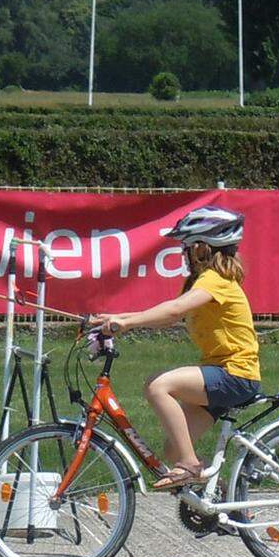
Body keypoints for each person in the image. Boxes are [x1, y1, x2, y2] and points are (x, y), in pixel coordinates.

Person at [91, 206, 261, 489]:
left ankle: (191, 467)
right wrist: (118, 319)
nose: (183, 255)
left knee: (158, 385)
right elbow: (168, 315)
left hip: (236, 374)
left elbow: (172, 312)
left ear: (202, 249)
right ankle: (212, 491)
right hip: (222, 372)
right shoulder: (203, 281)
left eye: (186, 248)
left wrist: (125, 324)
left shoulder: (215, 280)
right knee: (173, 449)